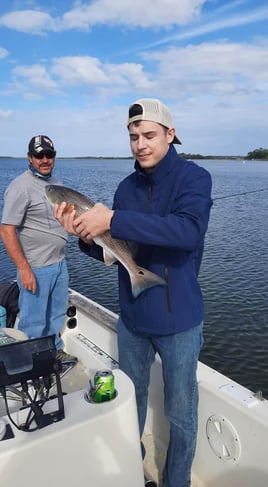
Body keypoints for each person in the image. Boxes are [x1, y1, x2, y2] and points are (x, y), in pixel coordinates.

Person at [53, 99, 213, 486]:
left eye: (149, 135)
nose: (140, 144)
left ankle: (177, 481)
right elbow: (119, 249)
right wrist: (85, 236)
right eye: (133, 137)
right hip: (133, 319)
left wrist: (113, 218)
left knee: (181, 413)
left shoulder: (195, 178)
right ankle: (132, 470)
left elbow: (187, 232)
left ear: (170, 135)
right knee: (130, 402)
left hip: (179, 321)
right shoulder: (126, 187)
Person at [0, 135, 77, 364]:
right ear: (30, 157)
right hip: (35, 267)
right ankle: (29, 366)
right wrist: (23, 269)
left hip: (59, 263)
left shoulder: (55, 184)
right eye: (39, 155)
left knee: (55, 315)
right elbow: (6, 230)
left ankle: (54, 352)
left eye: (49, 155)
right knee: (33, 322)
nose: (44, 160)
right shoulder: (20, 187)